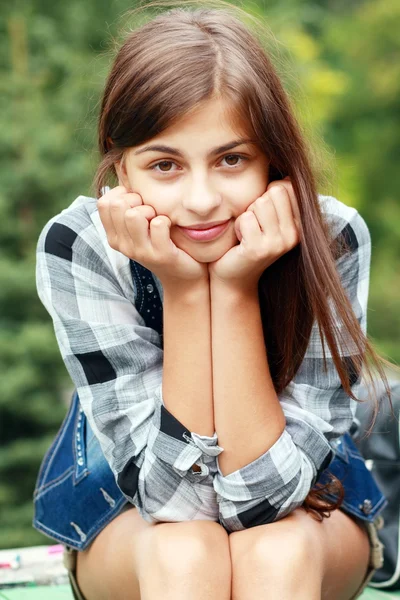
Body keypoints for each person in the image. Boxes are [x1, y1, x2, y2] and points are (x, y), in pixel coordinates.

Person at [33, 1, 394, 598]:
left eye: (231, 159)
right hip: (129, 523)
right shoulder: (81, 246)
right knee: (185, 552)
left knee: (274, 551)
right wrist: (181, 290)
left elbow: (265, 504)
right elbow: (173, 505)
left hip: (312, 513)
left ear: (272, 161)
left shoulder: (331, 236)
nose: (201, 201)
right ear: (121, 169)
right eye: (165, 164)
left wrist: (232, 288)